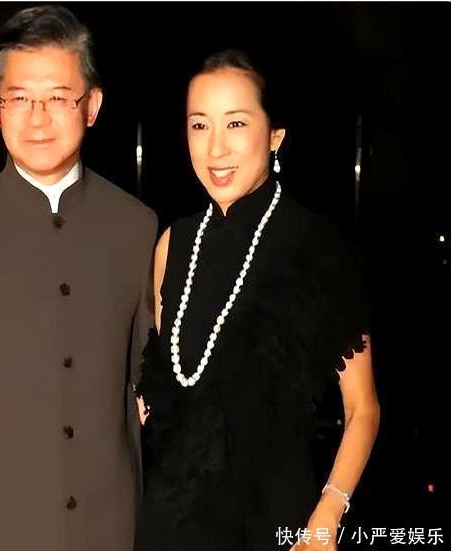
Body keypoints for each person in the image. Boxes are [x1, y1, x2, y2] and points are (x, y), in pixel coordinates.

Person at [0, 6, 157, 551]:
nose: (38, 118)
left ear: (92, 106)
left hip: (110, 530)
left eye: (59, 97)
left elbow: (147, 385)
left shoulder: (136, 227)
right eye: (19, 98)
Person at [134, 50, 380, 551]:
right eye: (199, 125)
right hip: (166, 526)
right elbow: (161, 393)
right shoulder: (172, 244)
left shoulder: (315, 248)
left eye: (236, 123)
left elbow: (363, 409)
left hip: (274, 526)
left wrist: (328, 514)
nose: (216, 147)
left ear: (274, 135)